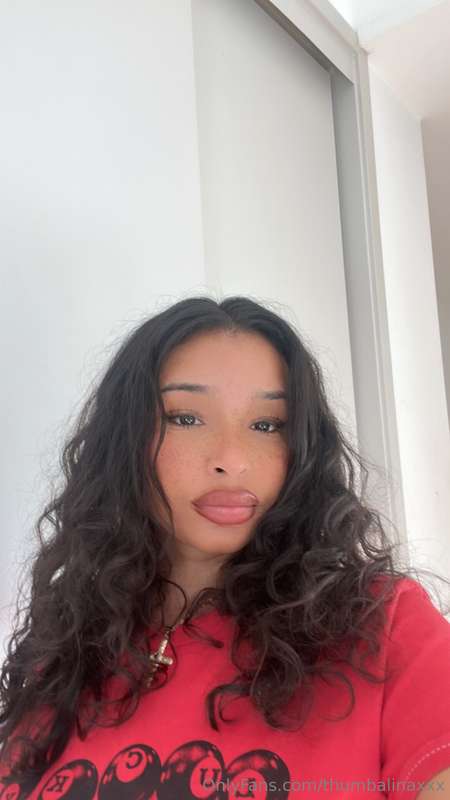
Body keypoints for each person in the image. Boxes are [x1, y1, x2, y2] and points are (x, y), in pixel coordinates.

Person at [0, 294, 449, 800]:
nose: (232, 460)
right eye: (185, 418)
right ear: (123, 441)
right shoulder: (60, 660)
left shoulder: (382, 629)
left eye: (267, 425)